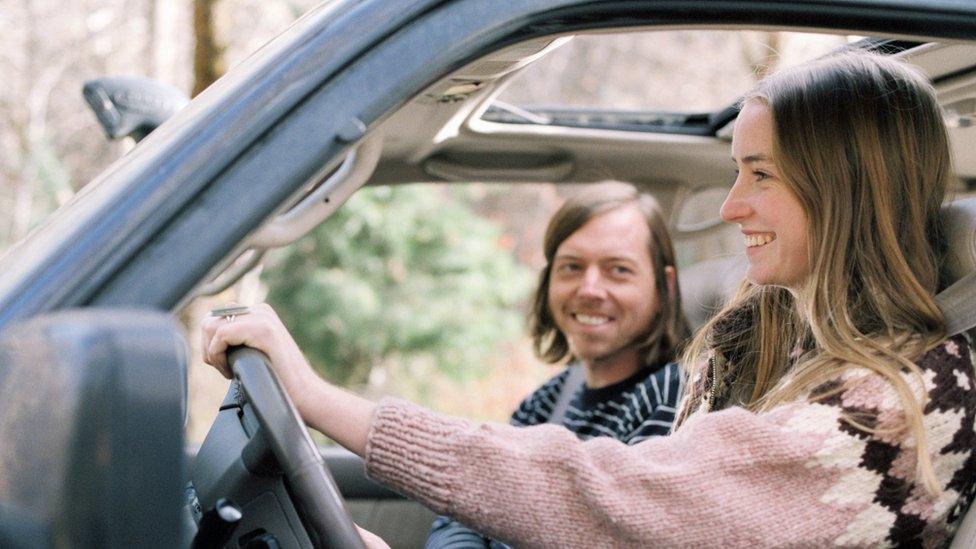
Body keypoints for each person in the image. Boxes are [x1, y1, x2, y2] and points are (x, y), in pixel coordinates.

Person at [202, 51, 976, 547]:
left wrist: (321, 399)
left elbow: (617, 498)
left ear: (843, 187)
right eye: (736, 171)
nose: (732, 205)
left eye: (760, 174)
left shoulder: (906, 403)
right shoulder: (762, 346)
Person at [425, 182, 691, 548]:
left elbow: (618, 536)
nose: (590, 289)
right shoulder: (551, 398)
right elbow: (467, 501)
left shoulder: (672, 398)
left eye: (618, 270)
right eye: (572, 267)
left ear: (664, 289)